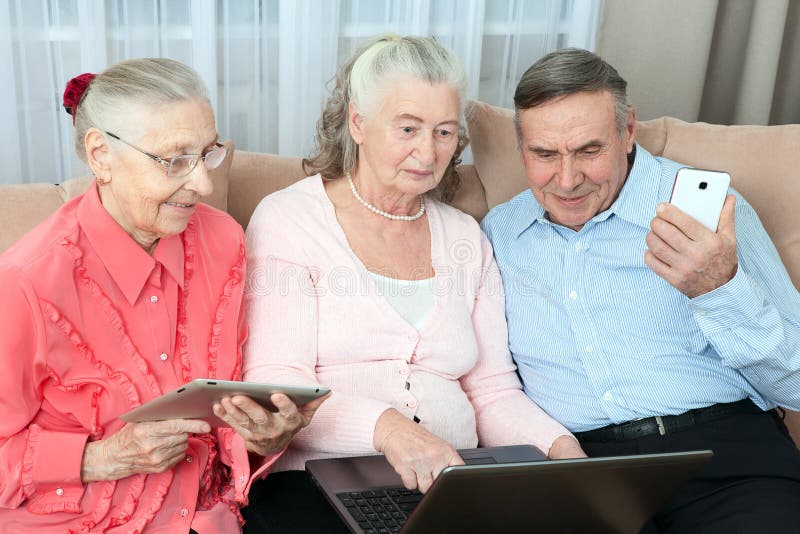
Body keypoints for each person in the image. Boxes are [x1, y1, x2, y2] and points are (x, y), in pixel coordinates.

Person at [242, 35, 585, 533]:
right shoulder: (290, 220)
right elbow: (279, 389)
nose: (427, 152)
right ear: (358, 122)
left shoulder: (465, 236)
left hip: (454, 481)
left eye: (444, 132)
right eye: (408, 128)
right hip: (318, 483)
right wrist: (387, 428)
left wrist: (562, 450)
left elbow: (491, 391)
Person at [480, 47, 800, 532]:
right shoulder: (500, 233)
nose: (567, 181)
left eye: (589, 150)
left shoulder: (707, 213)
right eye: (544, 154)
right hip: (583, 469)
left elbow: (795, 385)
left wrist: (719, 289)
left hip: (726, 460)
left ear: (628, 130)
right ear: (521, 147)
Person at [0, 58, 325, 533]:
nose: (203, 183)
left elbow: (225, 419)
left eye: (207, 153)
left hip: (206, 520)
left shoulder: (223, 241)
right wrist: (98, 458)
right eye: (175, 160)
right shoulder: (25, 284)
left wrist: (265, 435)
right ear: (100, 156)